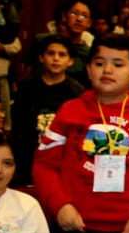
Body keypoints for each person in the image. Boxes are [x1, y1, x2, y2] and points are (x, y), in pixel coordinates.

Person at [32, 34, 129, 233]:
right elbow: (44, 165)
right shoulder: (70, 111)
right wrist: (60, 205)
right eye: (99, 63)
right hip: (73, 223)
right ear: (88, 70)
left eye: (118, 64)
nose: (107, 70)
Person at [9, 35, 85, 185]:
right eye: (51, 53)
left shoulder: (77, 92)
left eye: (62, 55)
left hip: (62, 160)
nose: (56, 59)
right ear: (41, 57)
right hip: (28, 158)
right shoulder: (26, 87)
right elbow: (17, 127)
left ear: (70, 61)